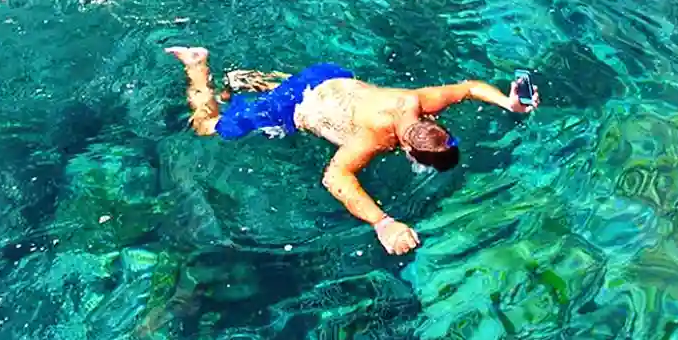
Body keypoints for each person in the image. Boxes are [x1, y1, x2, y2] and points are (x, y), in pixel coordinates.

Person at [165, 46, 539, 255]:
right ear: (408, 147)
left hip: (326, 74)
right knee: (207, 127)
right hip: (292, 110)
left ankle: (245, 80)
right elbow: (335, 177)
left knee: (291, 88)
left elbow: (470, 87)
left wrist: (509, 104)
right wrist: (384, 223)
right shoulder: (373, 139)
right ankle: (198, 66)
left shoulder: (414, 102)